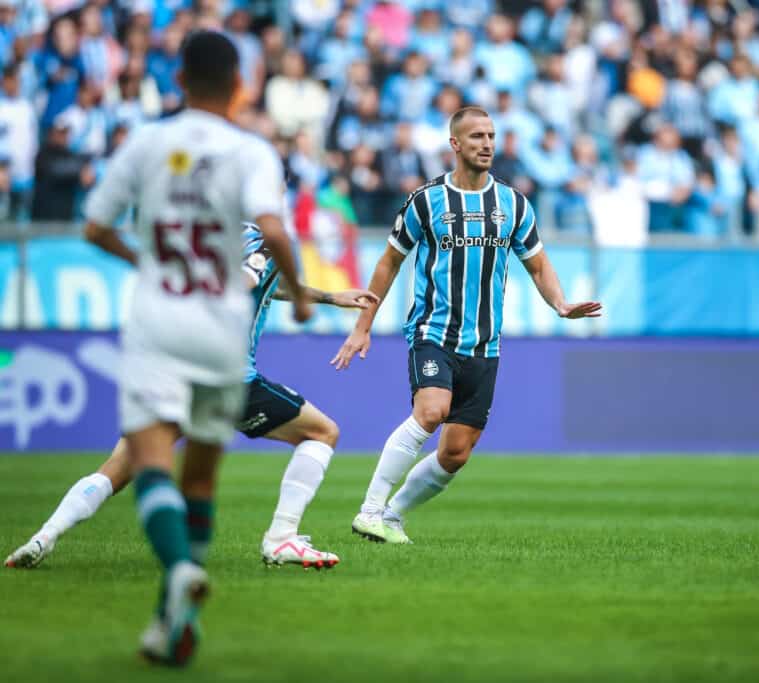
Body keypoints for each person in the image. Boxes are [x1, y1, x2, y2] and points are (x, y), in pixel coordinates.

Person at [77, 31, 309, 667]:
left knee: (151, 461)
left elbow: (95, 226)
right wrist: (302, 292)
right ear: (239, 86)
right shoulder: (252, 150)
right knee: (201, 475)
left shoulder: (148, 143)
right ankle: (173, 621)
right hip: (222, 331)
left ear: (178, 81)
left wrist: (143, 258)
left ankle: (178, 568)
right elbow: (273, 229)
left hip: (161, 323)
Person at [5, 223, 378, 572]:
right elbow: (246, 281)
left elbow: (263, 283)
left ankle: (44, 537)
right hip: (226, 377)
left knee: (120, 466)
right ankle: (281, 538)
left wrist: (329, 297)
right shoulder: (263, 238)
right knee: (322, 432)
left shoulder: (205, 232)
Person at [331, 106, 602, 544]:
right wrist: (363, 325)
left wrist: (560, 304)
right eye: (476, 136)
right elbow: (389, 263)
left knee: (456, 453)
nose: (487, 144)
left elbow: (537, 265)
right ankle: (369, 510)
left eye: (491, 135)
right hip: (433, 333)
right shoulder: (426, 200)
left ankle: (393, 515)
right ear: (455, 144)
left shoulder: (512, 204)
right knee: (431, 411)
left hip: (484, 344)